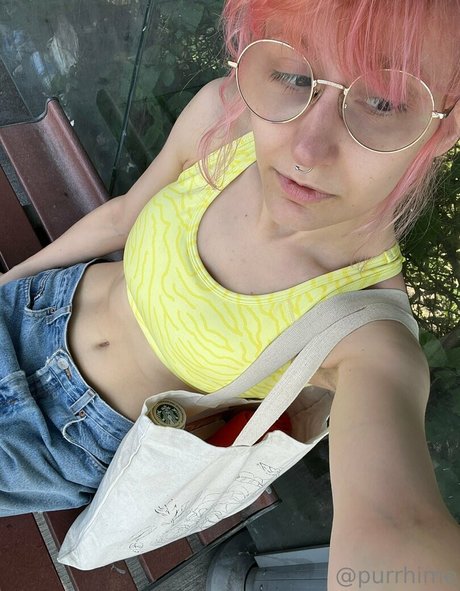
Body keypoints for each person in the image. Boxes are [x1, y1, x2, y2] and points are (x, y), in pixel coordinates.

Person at [1, 0, 459, 587]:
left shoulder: (364, 328)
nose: (306, 149)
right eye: (293, 76)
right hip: (39, 306)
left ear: (444, 128)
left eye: (383, 102)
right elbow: (122, 217)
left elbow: (397, 524)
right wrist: (10, 283)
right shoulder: (228, 120)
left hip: (62, 439)